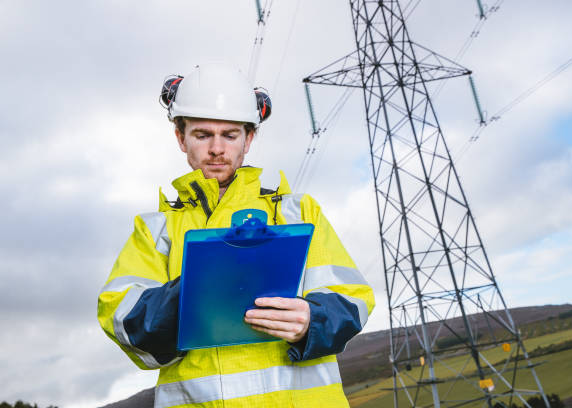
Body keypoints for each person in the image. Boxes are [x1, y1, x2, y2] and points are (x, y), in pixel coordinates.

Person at [97, 63, 375, 408]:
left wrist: (312, 320)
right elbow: (120, 318)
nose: (217, 149)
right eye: (202, 135)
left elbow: (353, 300)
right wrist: (193, 292)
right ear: (180, 137)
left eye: (229, 135)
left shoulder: (296, 211)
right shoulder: (156, 230)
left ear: (249, 139)